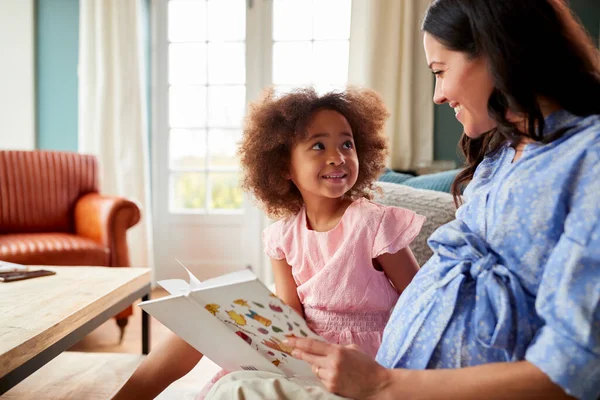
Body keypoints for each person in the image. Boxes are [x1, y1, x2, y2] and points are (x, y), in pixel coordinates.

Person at [205, 0, 600, 399]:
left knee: (235, 393)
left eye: (440, 71)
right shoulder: (501, 156)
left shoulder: (589, 159)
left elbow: (576, 366)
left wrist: (383, 383)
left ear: (499, 53)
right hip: (381, 380)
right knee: (229, 377)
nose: (438, 95)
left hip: (393, 386)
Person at [112, 87, 425, 400]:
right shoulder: (282, 237)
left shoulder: (375, 223)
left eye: (347, 144)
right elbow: (291, 314)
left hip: (360, 360)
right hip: (304, 349)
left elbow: (422, 303)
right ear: (284, 168)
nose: (338, 157)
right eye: (319, 145)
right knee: (196, 324)